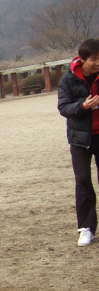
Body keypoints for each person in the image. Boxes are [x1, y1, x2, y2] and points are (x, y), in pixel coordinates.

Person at [57, 38, 99, 247]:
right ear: (82, 59)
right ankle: (86, 228)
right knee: (83, 181)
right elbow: (64, 108)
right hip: (80, 139)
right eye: (94, 59)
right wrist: (83, 105)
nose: (97, 63)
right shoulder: (68, 79)